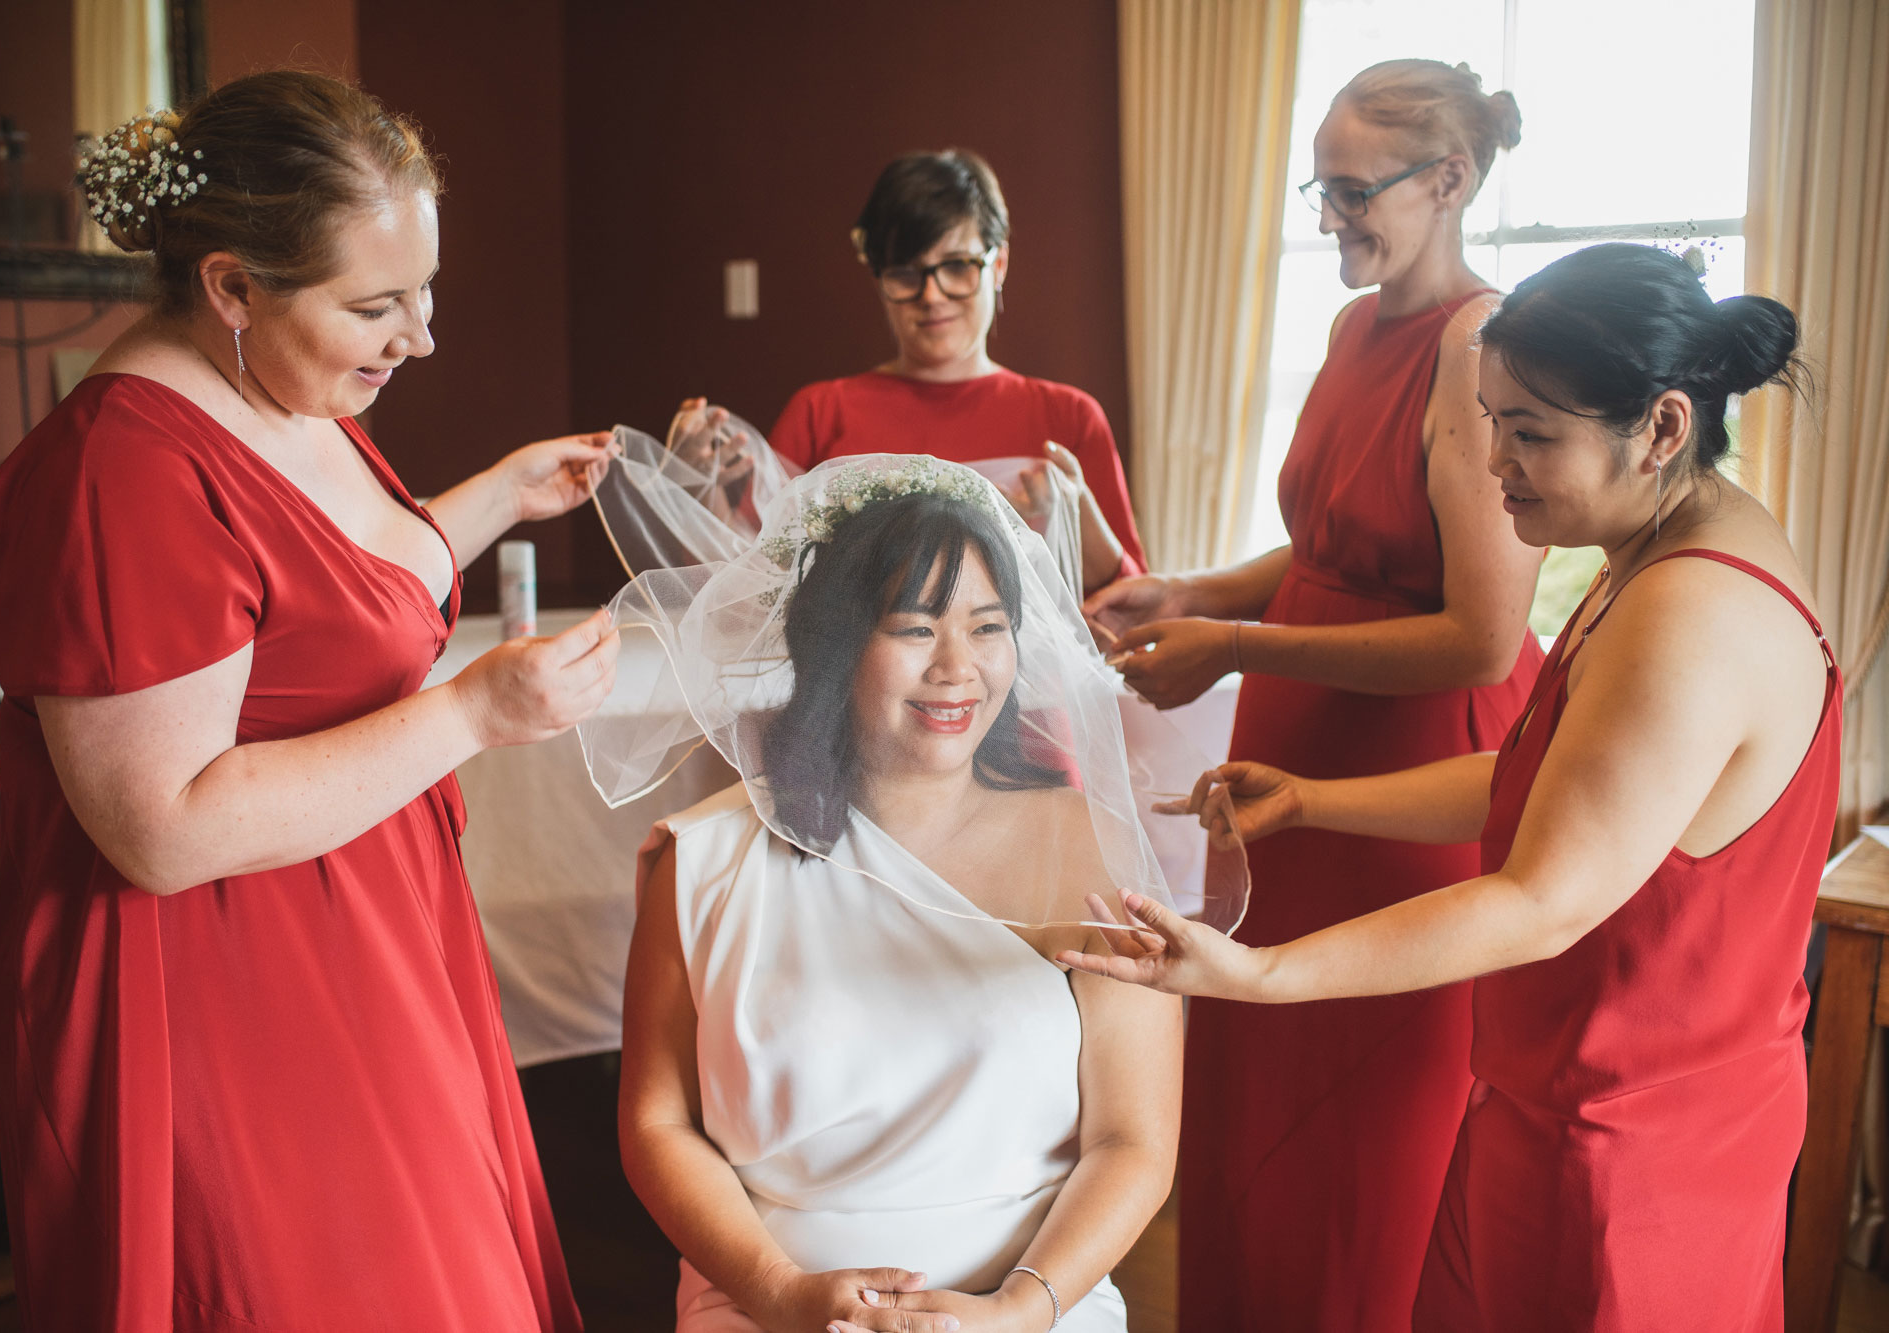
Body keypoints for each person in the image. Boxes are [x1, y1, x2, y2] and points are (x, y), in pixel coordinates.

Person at [1065, 242, 1835, 1332]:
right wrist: (1315, 798)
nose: (1493, 464)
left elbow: (1540, 896)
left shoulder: (1689, 618)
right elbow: (1552, 782)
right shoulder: (1662, 540)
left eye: (1529, 434)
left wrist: (1260, 972)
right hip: (1562, 1092)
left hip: (1629, 1137)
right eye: (1488, 423)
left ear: (1660, 427)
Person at [0, 72, 617, 1332]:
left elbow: (324, 605)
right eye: (376, 304)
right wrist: (472, 716)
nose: (417, 336)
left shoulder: (285, 385)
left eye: (424, 292)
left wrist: (496, 495)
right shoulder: (128, 470)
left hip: (363, 935)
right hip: (221, 988)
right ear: (231, 286)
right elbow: (165, 828)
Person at [1083, 59, 1545, 1330]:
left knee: (1357, 1147)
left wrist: (1233, 644)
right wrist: (1194, 591)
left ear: (1446, 182)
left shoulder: (1480, 350)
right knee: (1255, 1122)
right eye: (1318, 190)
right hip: (1292, 778)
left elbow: (1478, 637)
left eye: (1352, 193)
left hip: (1400, 798)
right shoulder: (1355, 328)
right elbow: (1341, 542)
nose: (1328, 218)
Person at [596, 459, 1182, 1332]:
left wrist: (1020, 1309)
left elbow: (1132, 1139)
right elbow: (657, 1121)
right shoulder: (705, 861)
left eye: (989, 627)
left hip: (1034, 1305)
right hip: (768, 1302)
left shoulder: (1089, 847)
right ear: (833, 645)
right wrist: (778, 1291)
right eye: (916, 628)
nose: (958, 667)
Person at [764, 149, 1146, 594]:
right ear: (879, 279)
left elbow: (1131, 603)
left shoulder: (1069, 418)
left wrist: (1073, 508)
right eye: (907, 273)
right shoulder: (819, 412)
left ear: (997, 265)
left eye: (957, 266)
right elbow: (760, 580)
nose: (932, 295)